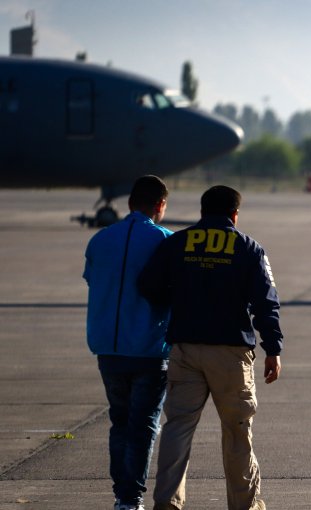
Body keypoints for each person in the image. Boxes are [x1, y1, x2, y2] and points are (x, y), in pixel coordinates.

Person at [138, 185, 283, 510]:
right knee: (237, 432)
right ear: (234, 214)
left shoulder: (177, 243)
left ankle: (167, 503)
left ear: (202, 212)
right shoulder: (249, 248)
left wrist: (176, 301)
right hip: (230, 354)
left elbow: (147, 284)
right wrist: (273, 347)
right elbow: (266, 302)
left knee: (178, 427)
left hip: (185, 349)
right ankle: (244, 505)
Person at [83, 175, 173, 510]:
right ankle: (129, 497)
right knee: (144, 424)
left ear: (131, 203)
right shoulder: (166, 240)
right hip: (150, 348)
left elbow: (93, 281)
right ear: (159, 205)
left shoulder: (100, 240)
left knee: (119, 421)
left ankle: (122, 493)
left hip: (106, 346)